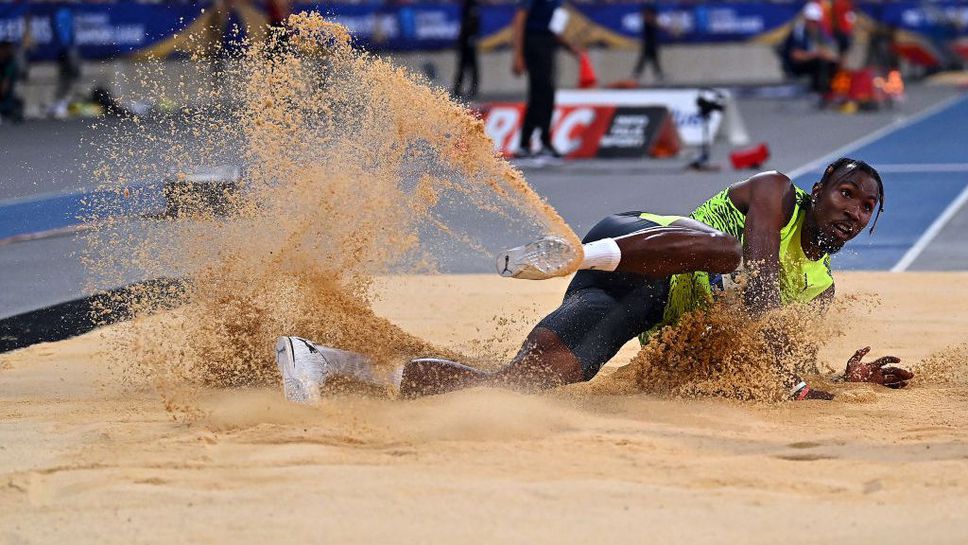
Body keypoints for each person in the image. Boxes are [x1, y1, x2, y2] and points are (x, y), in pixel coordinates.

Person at [276, 157, 913, 404]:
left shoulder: (820, 288)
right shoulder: (776, 192)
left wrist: (831, 377)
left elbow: (786, 356)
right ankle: (571, 256)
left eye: (864, 206)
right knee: (733, 254)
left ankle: (327, 362)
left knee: (517, 386)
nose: (851, 211)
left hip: (648, 305)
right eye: (845, 193)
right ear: (820, 190)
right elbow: (762, 272)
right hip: (638, 247)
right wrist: (778, 353)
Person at [511, 0, 581, 159]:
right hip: (533, 43)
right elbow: (520, 19)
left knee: (547, 94)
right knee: (539, 93)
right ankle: (528, 143)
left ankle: (539, 141)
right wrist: (518, 55)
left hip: (548, 44)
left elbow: (554, 28)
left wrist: (570, 47)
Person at [780, 2, 839, 98]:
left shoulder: (818, 32)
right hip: (795, 66)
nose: (814, 24)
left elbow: (826, 48)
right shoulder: (798, 33)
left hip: (811, 61)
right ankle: (818, 92)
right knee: (820, 62)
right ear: (806, 19)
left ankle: (832, 92)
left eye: (816, 22)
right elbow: (796, 55)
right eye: (812, 21)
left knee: (833, 64)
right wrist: (817, 54)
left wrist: (832, 57)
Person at [452, 0, 480, 99]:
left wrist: (471, 37)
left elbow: (474, 22)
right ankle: (457, 88)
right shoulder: (467, 5)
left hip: (469, 40)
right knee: (462, 66)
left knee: (472, 66)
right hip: (464, 40)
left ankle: (473, 89)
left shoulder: (473, 4)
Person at [632, 6, 663, 84]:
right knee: (644, 58)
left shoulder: (651, 20)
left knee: (654, 59)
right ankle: (637, 72)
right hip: (648, 43)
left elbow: (658, 26)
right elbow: (653, 24)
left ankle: (658, 73)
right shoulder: (647, 21)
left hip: (653, 43)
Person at [0, 40, 25, 124]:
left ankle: (11, 112)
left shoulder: (10, 63)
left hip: (6, 98)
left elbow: (4, 87)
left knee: (11, 104)